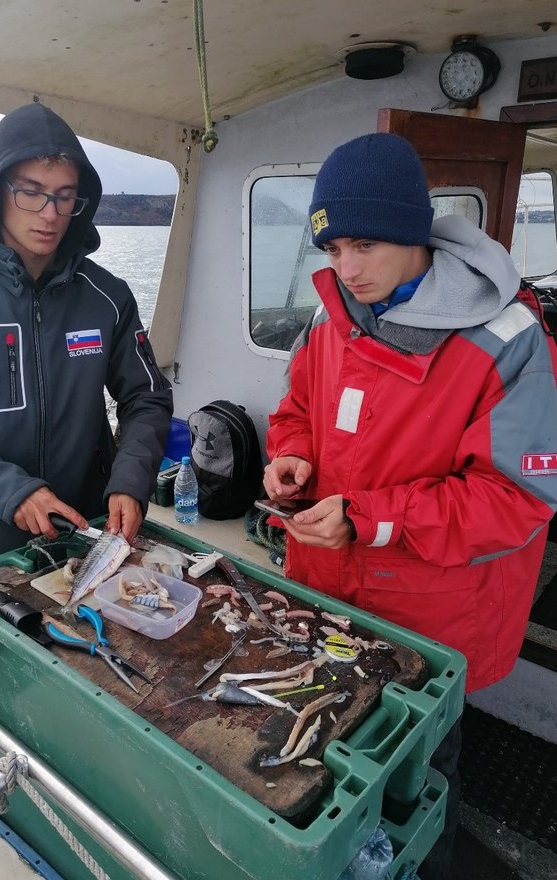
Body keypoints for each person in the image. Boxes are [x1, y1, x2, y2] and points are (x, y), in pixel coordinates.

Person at [263, 132, 557, 879]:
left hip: (429, 619)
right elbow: (295, 405)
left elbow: (516, 499)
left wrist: (370, 518)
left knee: (419, 784)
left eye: (364, 245)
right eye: (331, 250)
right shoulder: (330, 315)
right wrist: (290, 456)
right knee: (326, 762)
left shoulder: (509, 339)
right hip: (326, 594)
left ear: (412, 232)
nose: (347, 269)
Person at [0, 102, 173, 788]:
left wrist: (129, 482)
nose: (49, 212)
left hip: (85, 550)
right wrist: (12, 489)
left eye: (64, 194)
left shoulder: (106, 297)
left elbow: (146, 397)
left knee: (81, 690)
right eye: (31, 191)